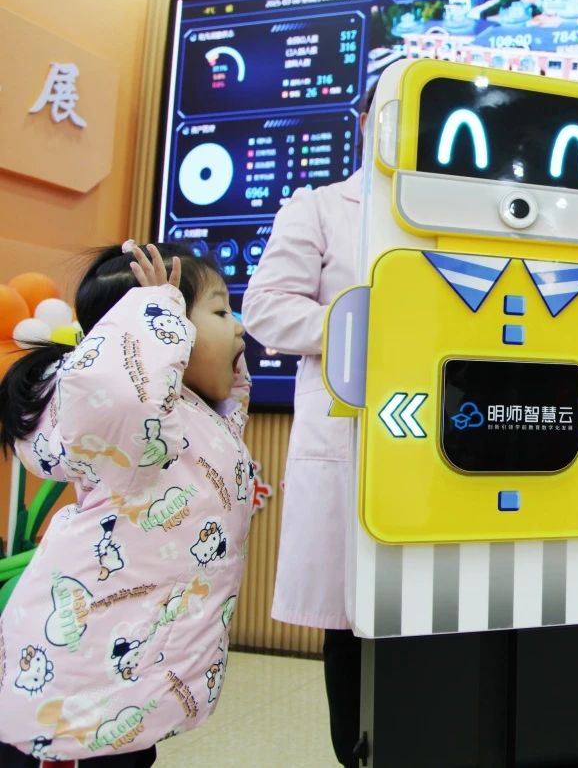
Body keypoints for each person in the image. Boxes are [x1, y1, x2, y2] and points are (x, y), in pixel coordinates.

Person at [0, 243, 254, 766]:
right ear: (158, 332)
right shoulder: (129, 419)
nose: (239, 327)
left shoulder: (191, 418)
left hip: (130, 682)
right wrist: (154, 310)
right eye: (221, 311)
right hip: (75, 690)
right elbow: (123, 387)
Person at [241, 90, 371, 768]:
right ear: (366, 121)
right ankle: (356, 754)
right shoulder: (319, 206)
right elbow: (265, 308)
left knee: (429, 611)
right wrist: (363, 326)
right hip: (351, 435)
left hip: (442, 438)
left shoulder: (459, 212)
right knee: (351, 621)